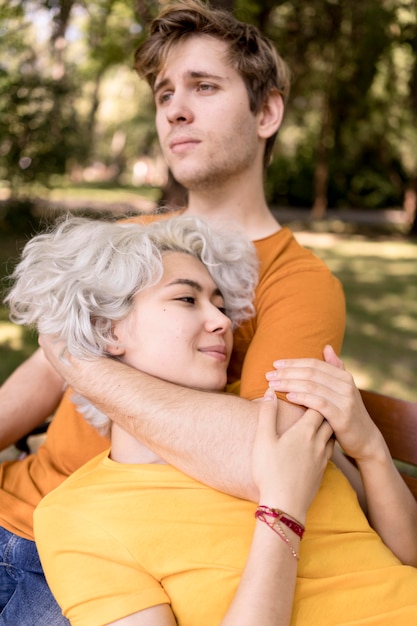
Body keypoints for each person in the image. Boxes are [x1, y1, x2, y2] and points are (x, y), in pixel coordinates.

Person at [0, 1, 346, 620]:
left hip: (94, 562)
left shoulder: (299, 281)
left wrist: (81, 361)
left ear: (266, 112)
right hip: (14, 504)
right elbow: (35, 381)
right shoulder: (135, 237)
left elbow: (264, 461)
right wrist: (61, 359)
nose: (175, 110)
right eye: (164, 95)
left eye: (204, 87)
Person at [10, 215, 417, 626]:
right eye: (187, 300)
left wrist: (370, 448)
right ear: (107, 329)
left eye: (221, 306)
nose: (222, 322)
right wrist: (282, 510)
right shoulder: (77, 516)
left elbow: (409, 556)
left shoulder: (275, 419)